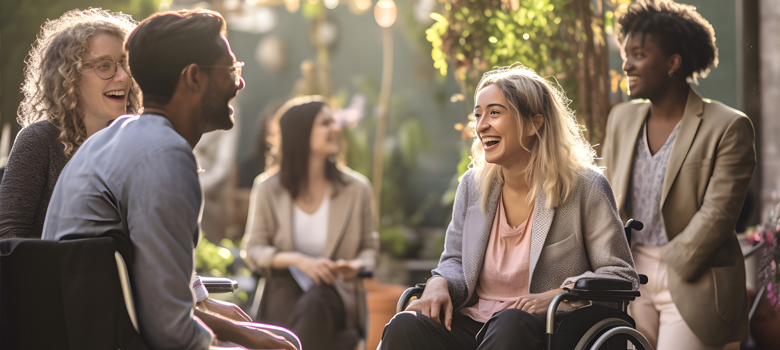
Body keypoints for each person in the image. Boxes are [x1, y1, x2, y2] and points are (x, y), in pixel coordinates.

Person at [42, 9, 296, 350]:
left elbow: (144, 294)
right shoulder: (164, 156)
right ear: (194, 78)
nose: (239, 82)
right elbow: (170, 330)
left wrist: (239, 331)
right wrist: (239, 341)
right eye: (231, 70)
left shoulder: (118, 136)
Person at [379, 65, 639, 350]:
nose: (481, 125)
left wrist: (558, 294)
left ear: (533, 123)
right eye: (478, 115)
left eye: (494, 112)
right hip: (476, 324)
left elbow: (620, 274)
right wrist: (439, 282)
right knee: (405, 325)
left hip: (548, 328)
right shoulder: (473, 186)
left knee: (510, 324)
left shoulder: (585, 187)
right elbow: (454, 260)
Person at [602, 1, 755, 349]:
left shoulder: (728, 126)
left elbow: (718, 215)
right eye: (626, 54)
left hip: (692, 277)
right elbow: (606, 198)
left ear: (672, 63)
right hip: (630, 276)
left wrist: (669, 263)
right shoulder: (621, 120)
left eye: (638, 54)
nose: (626, 64)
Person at [241, 95, 379, 350]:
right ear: (300, 133)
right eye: (325, 123)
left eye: (334, 121)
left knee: (318, 301)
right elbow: (253, 251)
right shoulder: (267, 188)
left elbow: (370, 249)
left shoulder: (357, 189)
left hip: (334, 295)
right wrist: (298, 260)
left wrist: (356, 266)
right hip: (283, 293)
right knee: (292, 299)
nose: (336, 128)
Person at [0, 8, 140, 240]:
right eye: (104, 66)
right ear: (69, 77)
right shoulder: (39, 140)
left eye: (125, 63)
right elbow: (7, 238)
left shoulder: (139, 141)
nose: (123, 77)